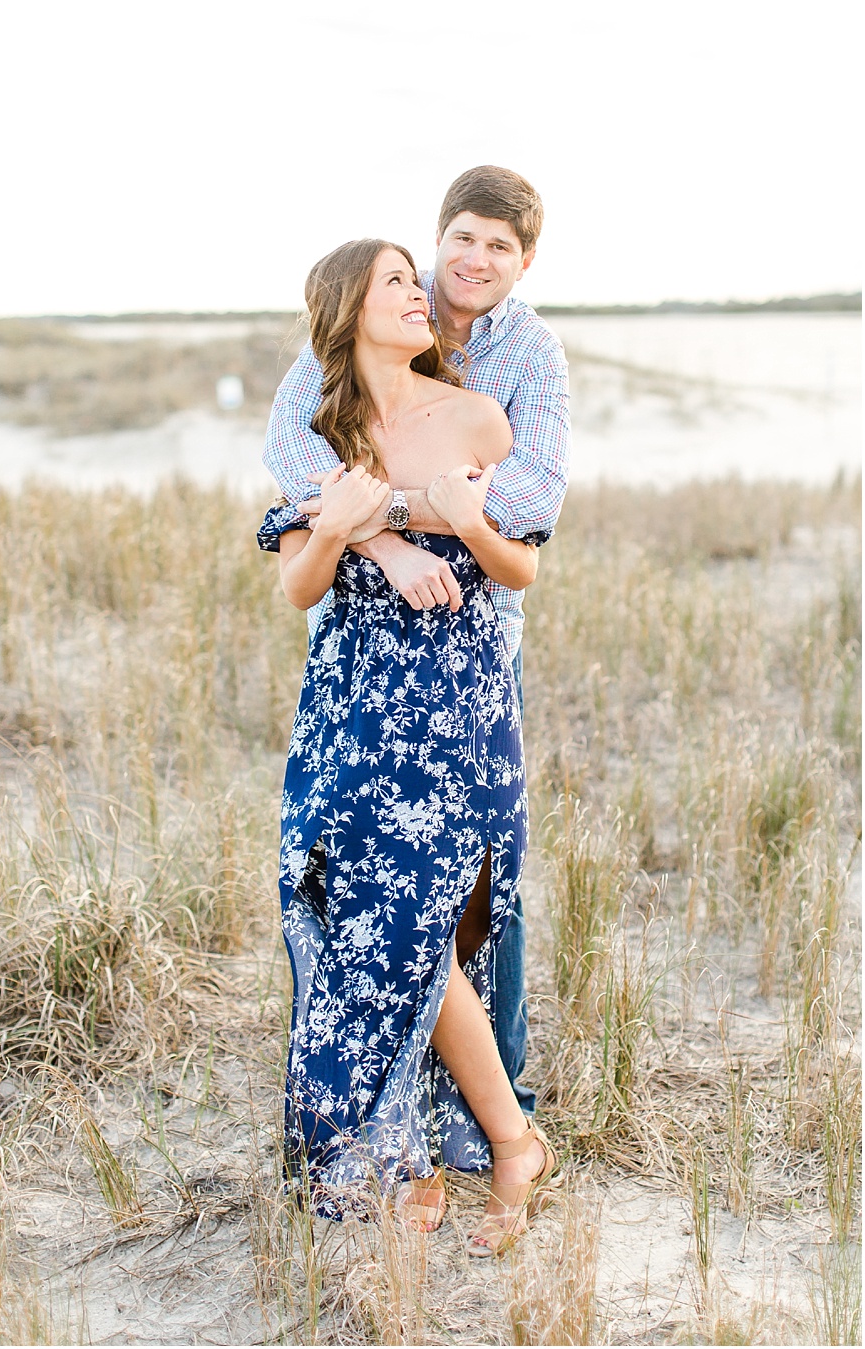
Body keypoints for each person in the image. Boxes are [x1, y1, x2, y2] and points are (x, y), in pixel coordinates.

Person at [257, 239, 557, 1255]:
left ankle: (504, 1143)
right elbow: (295, 582)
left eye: (409, 278)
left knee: (427, 920)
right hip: (346, 704)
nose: (416, 293)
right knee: (357, 916)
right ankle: (422, 1153)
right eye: (393, 281)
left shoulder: (475, 415)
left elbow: (518, 566)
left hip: (454, 707)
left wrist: (460, 526)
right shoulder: (322, 433)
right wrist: (349, 531)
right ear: (347, 309)